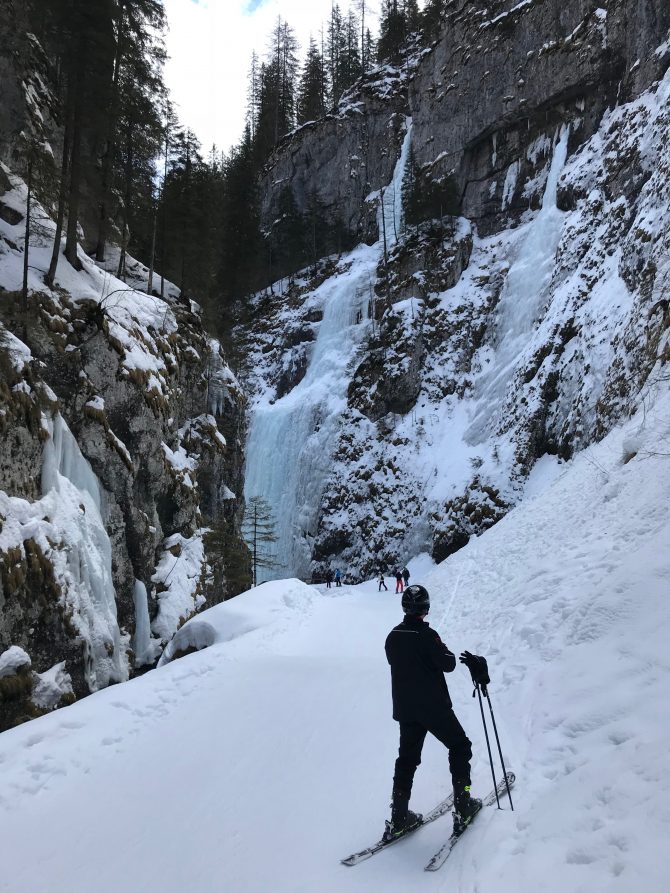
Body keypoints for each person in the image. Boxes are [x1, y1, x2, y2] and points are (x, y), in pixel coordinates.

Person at [382, 584, 481, 841]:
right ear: (425, 608)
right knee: (460, 747)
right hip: (433, 707)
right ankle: (463, 804)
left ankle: (399, 818)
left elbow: (396, 660)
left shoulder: (393, 636)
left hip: (406, 709)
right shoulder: (427, 636)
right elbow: (448, 663)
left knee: (407, 760)